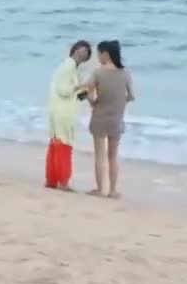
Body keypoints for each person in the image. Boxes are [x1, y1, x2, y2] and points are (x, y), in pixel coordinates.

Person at [81, 40, 135, 198]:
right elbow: (131, 96)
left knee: (99, 155)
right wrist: (120, 103)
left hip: (99, 118)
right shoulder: (125, 73)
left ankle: (100, 190)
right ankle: (112, 190)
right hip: (116, 119)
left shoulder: (98, 73)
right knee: (113, 157)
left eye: (98, 54)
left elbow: (88, 93)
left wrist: (92, 102)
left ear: (105, 54)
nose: (98, 57)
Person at [45, 40, 92, 190]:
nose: (82, 53)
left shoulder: (70, 67)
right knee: (64, 146)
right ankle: (63, 182)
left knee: (55, 144)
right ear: (74, 50)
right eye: (81, 50)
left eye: (86, 52)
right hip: (63, 112)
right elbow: (64, 91)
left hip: (57, 110)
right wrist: (80, 85)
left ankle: (52, 180)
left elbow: (75, 95)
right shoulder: (69, 66)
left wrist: (87, 94)